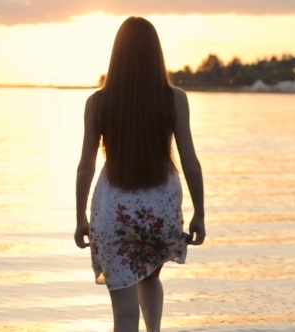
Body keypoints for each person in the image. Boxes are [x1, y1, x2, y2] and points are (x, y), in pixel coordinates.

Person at [74, 17, 205, 332]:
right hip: (158, 212)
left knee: (124, 315)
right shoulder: (174, 98)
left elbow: (85, 166)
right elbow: (190, 162)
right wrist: (199, 213)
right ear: (155, 54)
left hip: (113, 212)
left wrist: (80, 217)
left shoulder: (97, 103)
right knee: (149, 276)